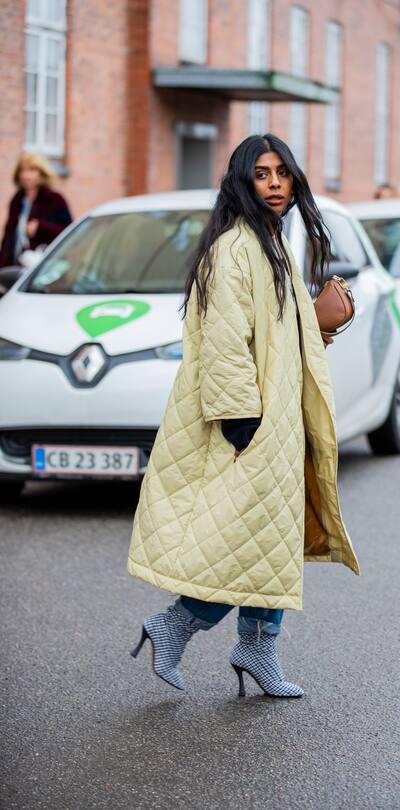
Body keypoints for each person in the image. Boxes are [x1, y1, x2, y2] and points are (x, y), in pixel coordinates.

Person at [127, 133, 359, 699]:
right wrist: (241, 423)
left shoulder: (270, 241)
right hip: (249, 424)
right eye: (262, 173)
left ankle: (257, 646)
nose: (275, 183)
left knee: (270, 537)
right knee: (239, 537)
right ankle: (176, 624)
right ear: (242, 181)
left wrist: (311, 330)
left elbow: (267, 333)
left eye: (282, 172)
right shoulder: (233, 248)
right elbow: (225, 343)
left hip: (278, 419)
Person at [0, 153, 72, 268]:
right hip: (15, 267)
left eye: (32, 170)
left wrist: (41, 228)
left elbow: (69, 233)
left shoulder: (54, 199)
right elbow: (8, 239)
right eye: (23, 171)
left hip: (44, 267)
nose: (26, 175)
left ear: (41, 173)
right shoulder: (16, 201)